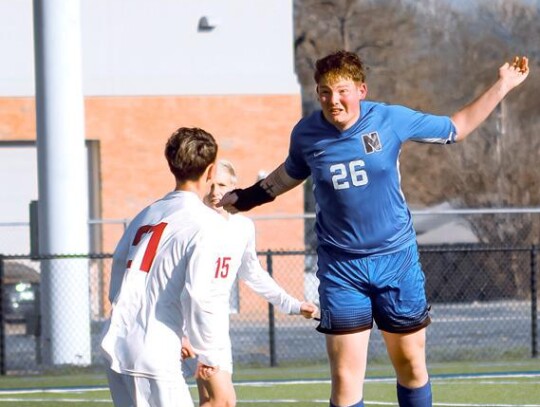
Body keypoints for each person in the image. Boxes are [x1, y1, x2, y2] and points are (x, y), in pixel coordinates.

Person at [218, 51, 530, 407]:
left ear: (361, 90)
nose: (333, 100)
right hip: (341, 268)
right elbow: (287, 175)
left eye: (342, 91)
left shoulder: (390, 119)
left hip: (395, 260)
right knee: (346, 382)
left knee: (411, 365)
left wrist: (503, 84)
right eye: (324, 92)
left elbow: (456, 127)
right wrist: (245, 199)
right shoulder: (306, 133)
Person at [101, 127, 230, 407]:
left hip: (117, 341)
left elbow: (118, 275)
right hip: (152, 350)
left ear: (171, 165)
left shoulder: (146, 213)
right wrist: (208, 354)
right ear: (210, 171)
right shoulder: (206, 223)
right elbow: (197, 295)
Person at [181, 159, 319, 407]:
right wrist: (183, 332)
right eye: (209, 184)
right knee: (223, 401)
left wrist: (293, 305)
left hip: (216, 323)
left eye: (222, 184)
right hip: (192, 324)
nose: (215, 192)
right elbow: (181, 286)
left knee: (211, 400)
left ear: (234, 186)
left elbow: (253, 273)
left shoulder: (242, 227)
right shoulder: (190, 224)